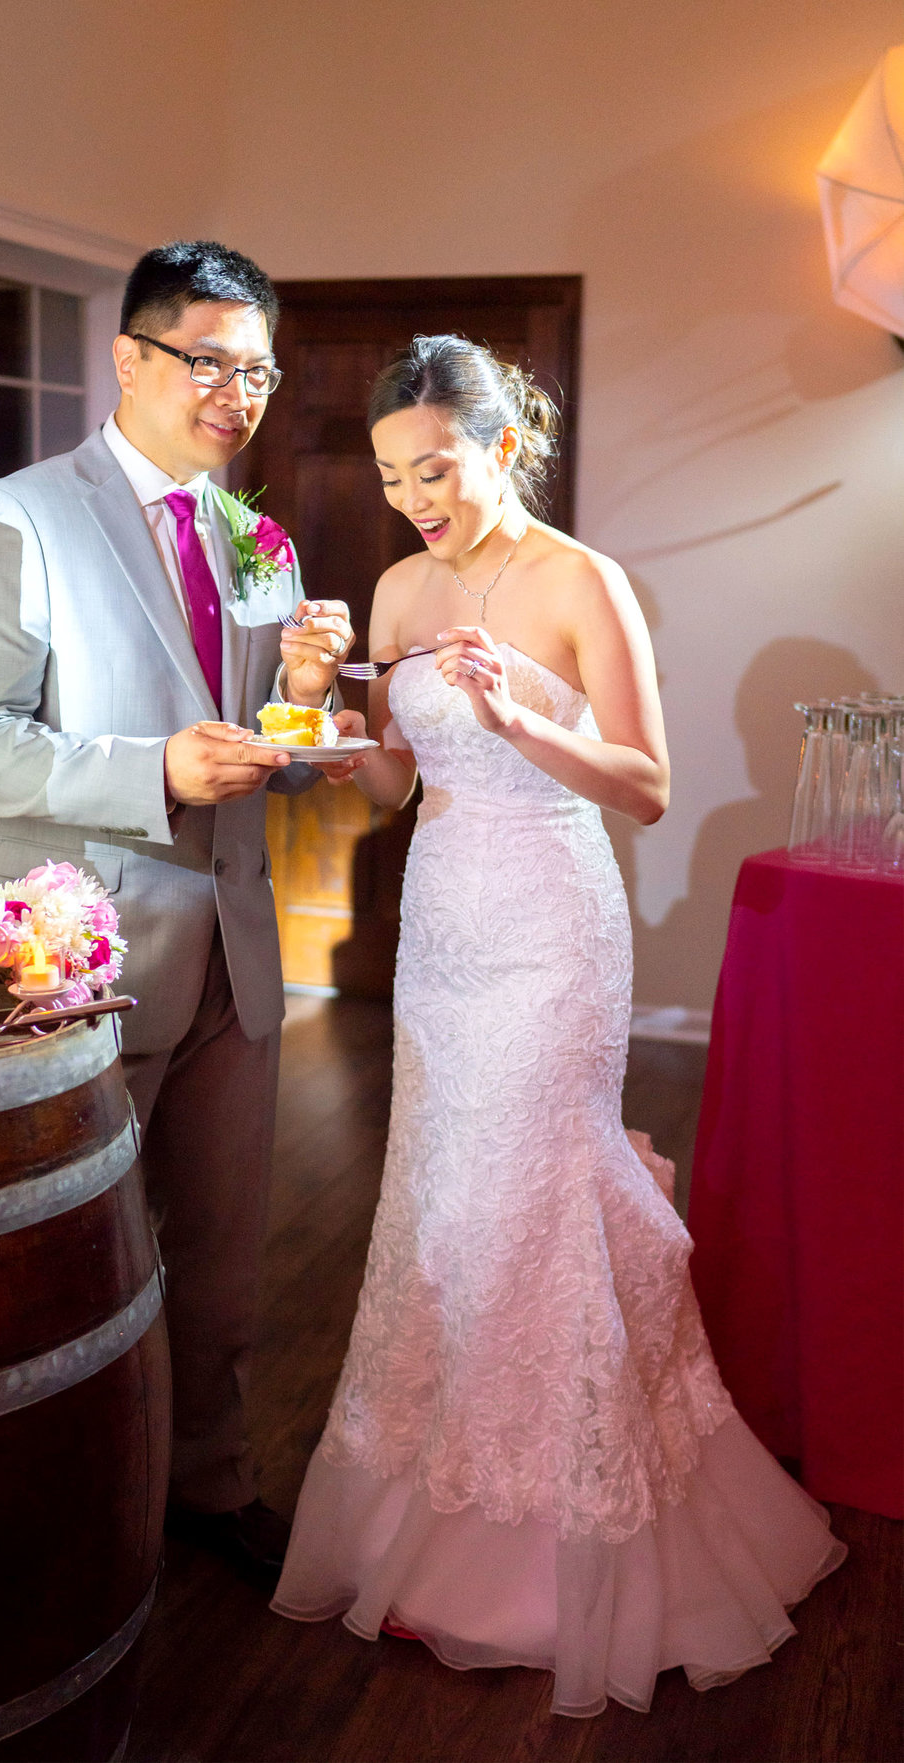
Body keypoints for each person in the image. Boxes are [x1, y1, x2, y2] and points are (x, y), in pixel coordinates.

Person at [270, 333, 844, 1714]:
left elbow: (644, 785)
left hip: (550, 918)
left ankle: (554, 1555)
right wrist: (305, 696)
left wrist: (522, 716)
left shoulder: (583, 584)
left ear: (504, 444)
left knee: (531, 1203)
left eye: (441, 467)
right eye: (398, 473)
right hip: (445, 921)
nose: (418, 497)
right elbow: (386, 789)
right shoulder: (404, 583)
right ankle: (437, 1528)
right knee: (445, 1207)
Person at [0, 241, 361, 1582]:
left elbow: (265, 741)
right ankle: (65, 1504)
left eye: (260, 369)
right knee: (71, 1262)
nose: (240, 390)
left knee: (229, 1257)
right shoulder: (17, 518)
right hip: (88, 951)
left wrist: (307, 693)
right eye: (211, 360)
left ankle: (210, 1479)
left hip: (238, 944)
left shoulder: (256, 532)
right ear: (132, 359)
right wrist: (151, 770)